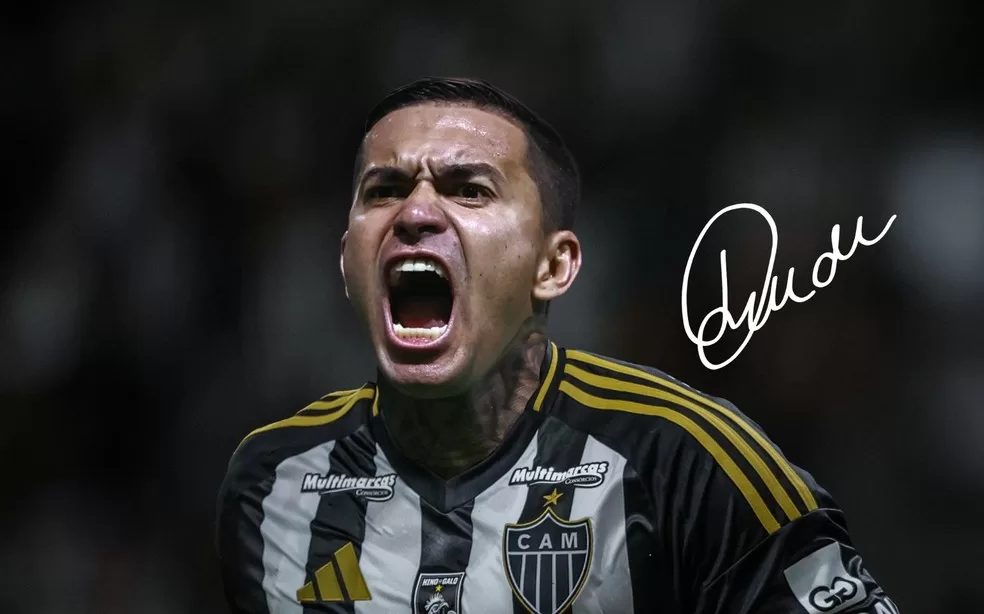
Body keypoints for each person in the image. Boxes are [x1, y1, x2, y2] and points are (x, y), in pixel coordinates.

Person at [216, 77, 898, 614]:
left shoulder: (690, 462)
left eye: (469, 189)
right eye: (385, 190)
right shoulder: (272, 484)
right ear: (347, 262)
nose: (416, 212)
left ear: (554, 266)